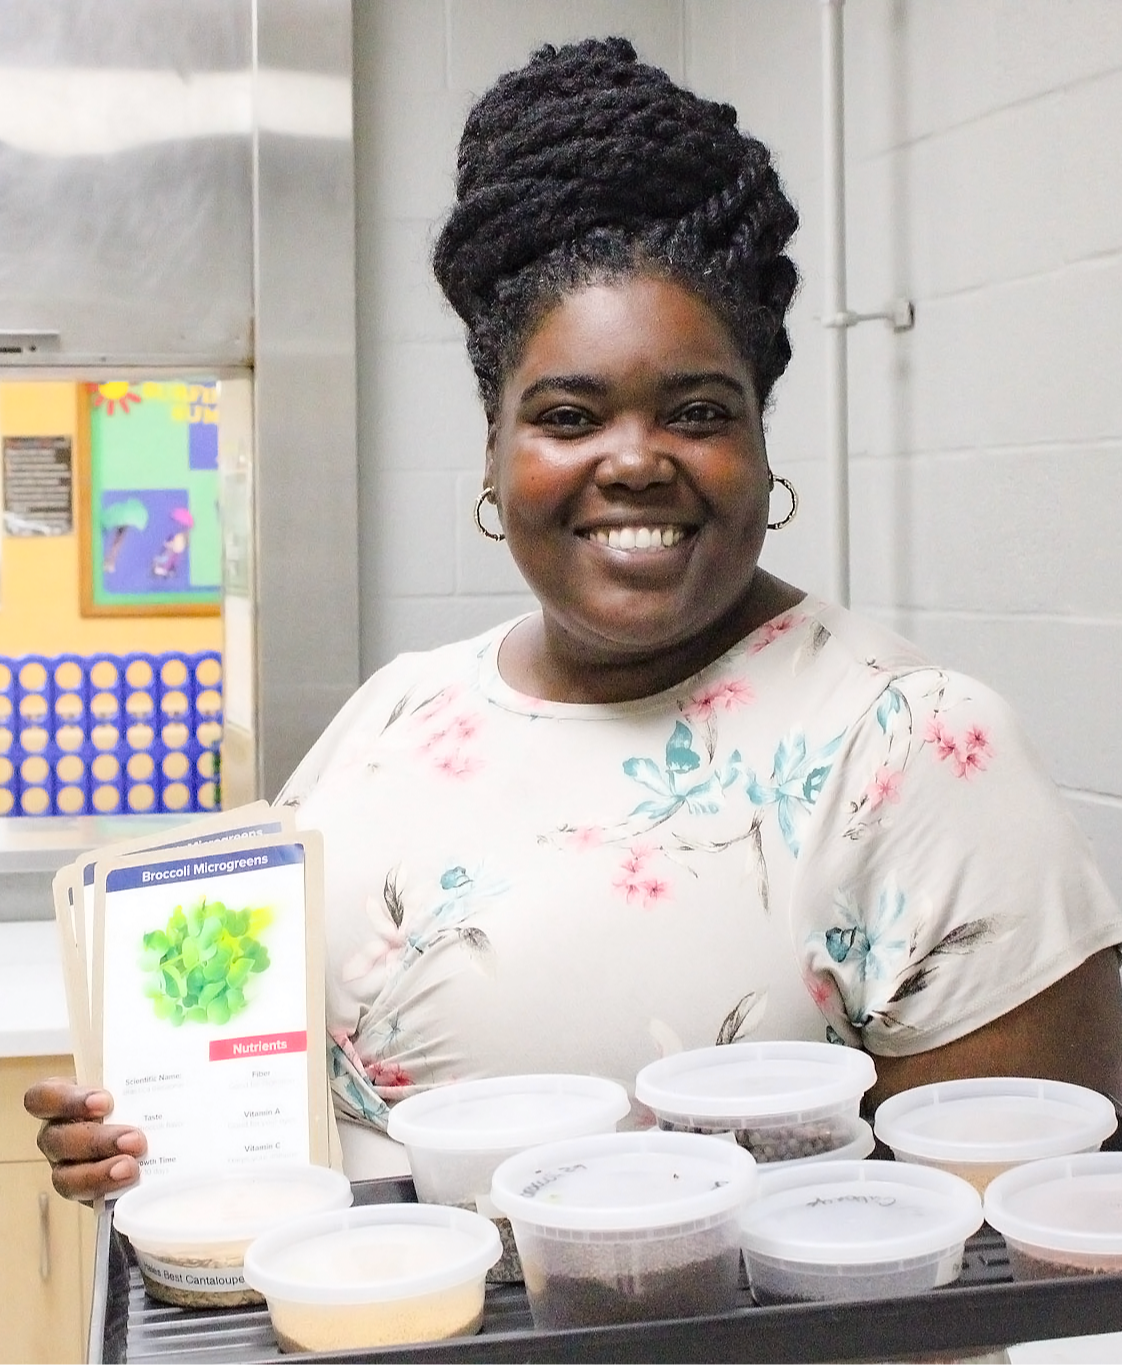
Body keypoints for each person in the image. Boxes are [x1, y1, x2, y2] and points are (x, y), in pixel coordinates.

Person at [27, 37, 1122, 1196]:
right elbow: (274, 1078)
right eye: (567, 414)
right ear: (496, 460)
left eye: (699, 410)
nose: (637, 460)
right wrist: (148, 1133)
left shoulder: (912, 749)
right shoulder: (403, 707)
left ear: (760, 449)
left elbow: (1011, 1244)